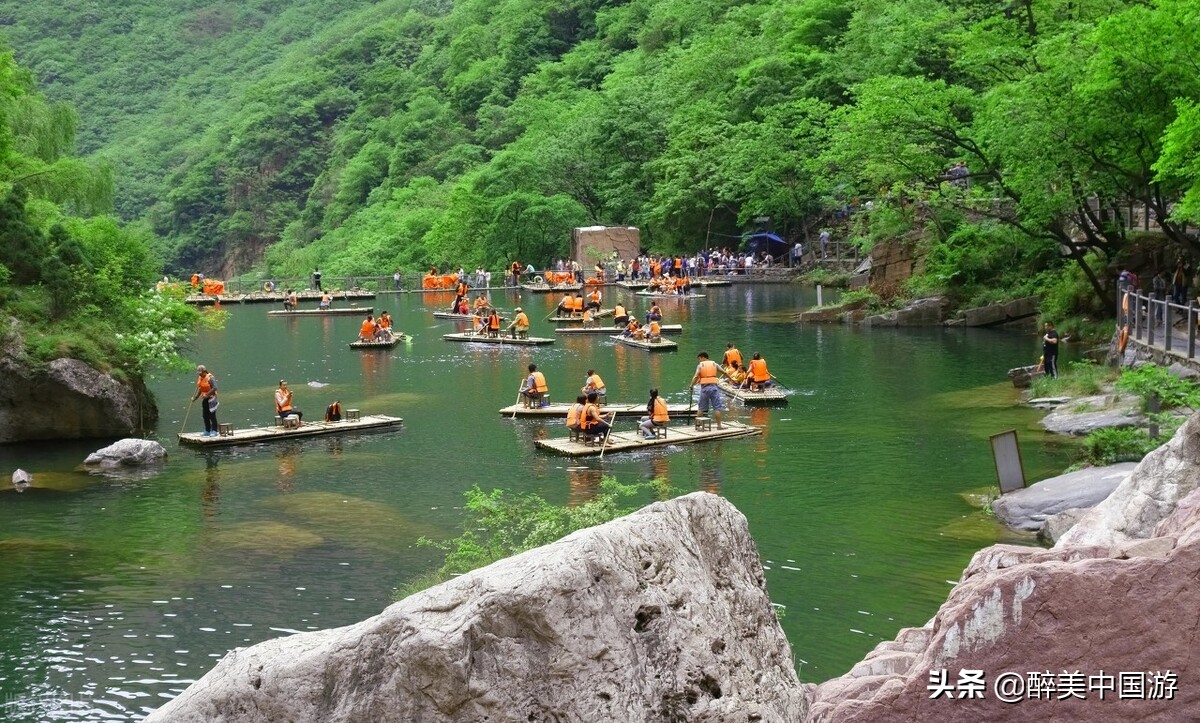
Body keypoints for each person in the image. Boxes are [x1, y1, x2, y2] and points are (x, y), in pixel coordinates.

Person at [689, 352, 726, 429]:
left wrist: (691, 386)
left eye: (699, 359)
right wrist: (731, 378)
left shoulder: (700, 366)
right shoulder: (714, 364)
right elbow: (724, 372)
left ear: (703, 357)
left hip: (704, 389)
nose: (699, 361)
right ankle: (719, 426)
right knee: (717, 408)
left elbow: (696, 376)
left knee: (701, 408)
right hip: (714, 388)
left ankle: (698, 426)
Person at [192, 365, 219, 436]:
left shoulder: (210, 378)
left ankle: (214, 430)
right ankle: (207, 430)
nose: (199, 374)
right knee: (205, 415)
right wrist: (195, 398)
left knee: (212, 415)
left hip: (212, 399)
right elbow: (200, 389)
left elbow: (215, 387)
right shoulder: (200, 378)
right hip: (205, 399)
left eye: (200, 373)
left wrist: (207, 394)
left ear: (204, 371)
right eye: (198, 373)